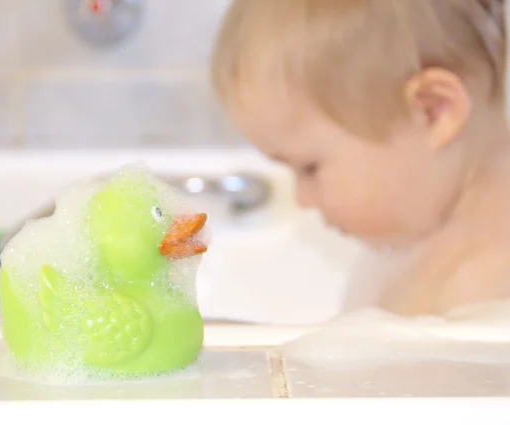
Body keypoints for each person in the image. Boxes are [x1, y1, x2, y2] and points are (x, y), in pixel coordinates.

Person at [210, 0, 509, 316]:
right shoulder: (422, 223)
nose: (303, 200)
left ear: (432, 112)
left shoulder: (484, 300)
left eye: (310, 168)